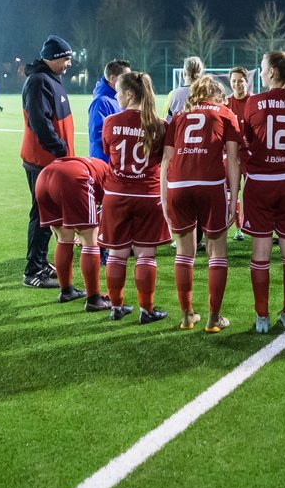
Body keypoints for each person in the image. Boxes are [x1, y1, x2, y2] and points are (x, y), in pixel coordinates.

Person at [162, 75, 240, 332]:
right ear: (217, 94)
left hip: (178, 186)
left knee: (184, 253)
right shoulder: (225, 113)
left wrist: (164, 198)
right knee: (217, 252)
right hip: (209, 185)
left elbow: (166, 161)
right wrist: (233, 196)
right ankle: (214, 318)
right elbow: (232, 160)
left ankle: (186, 316)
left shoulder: (179, 117)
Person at [240, 51, 285, 333]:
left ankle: (261, 318)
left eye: (261, 68)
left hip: (260, 182)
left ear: (271, 73)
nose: (259, 72)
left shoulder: (253, 103)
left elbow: (248, 141)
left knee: (261, 250)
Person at [100, 71, 170, 323]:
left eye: (119, 92)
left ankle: (116, 307)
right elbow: (164, 159)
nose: (116, 96)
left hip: (116, 194)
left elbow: (109, 152)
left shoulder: (110, 122)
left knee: (117, 254)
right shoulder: (161, 125)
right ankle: (146, 310)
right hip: (148, 196)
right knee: (145, 255)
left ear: (129, 94)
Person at [19, 36, 76, 288]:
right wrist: (60, 149)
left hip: (52, 160)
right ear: (53, 58)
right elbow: (39, 123)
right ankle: (33, 271)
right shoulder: (39, 81)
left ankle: (40, 264)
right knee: (41, 214)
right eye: (66, 58)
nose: (69, 63)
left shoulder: (49, 79)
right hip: (43, 160)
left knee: (47, 214)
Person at [34, 155, 113, 310]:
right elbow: (108, 210)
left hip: (44, 177)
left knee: (63, 238)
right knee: (90, 239)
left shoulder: (99, 166)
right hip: (73, 178)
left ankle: (66, 291)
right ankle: (94, 299)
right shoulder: (112, 178)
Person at [226, 66, 251, 241]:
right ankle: (238, 228)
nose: (237, 84)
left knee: (251, 191)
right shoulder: (226, 103)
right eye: (234, 81)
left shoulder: (253, 102)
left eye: (240, 81)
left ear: (246, 82)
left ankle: (253, 226)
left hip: (250, 156)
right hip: (231, 156)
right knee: (231, 192)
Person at [88, 59, 131, 161]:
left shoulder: (117, 97)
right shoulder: (101, 101)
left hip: (116, 159)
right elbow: (98, 135)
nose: (129, 81)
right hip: (105, 161)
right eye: (125, 77)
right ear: (112, 78)